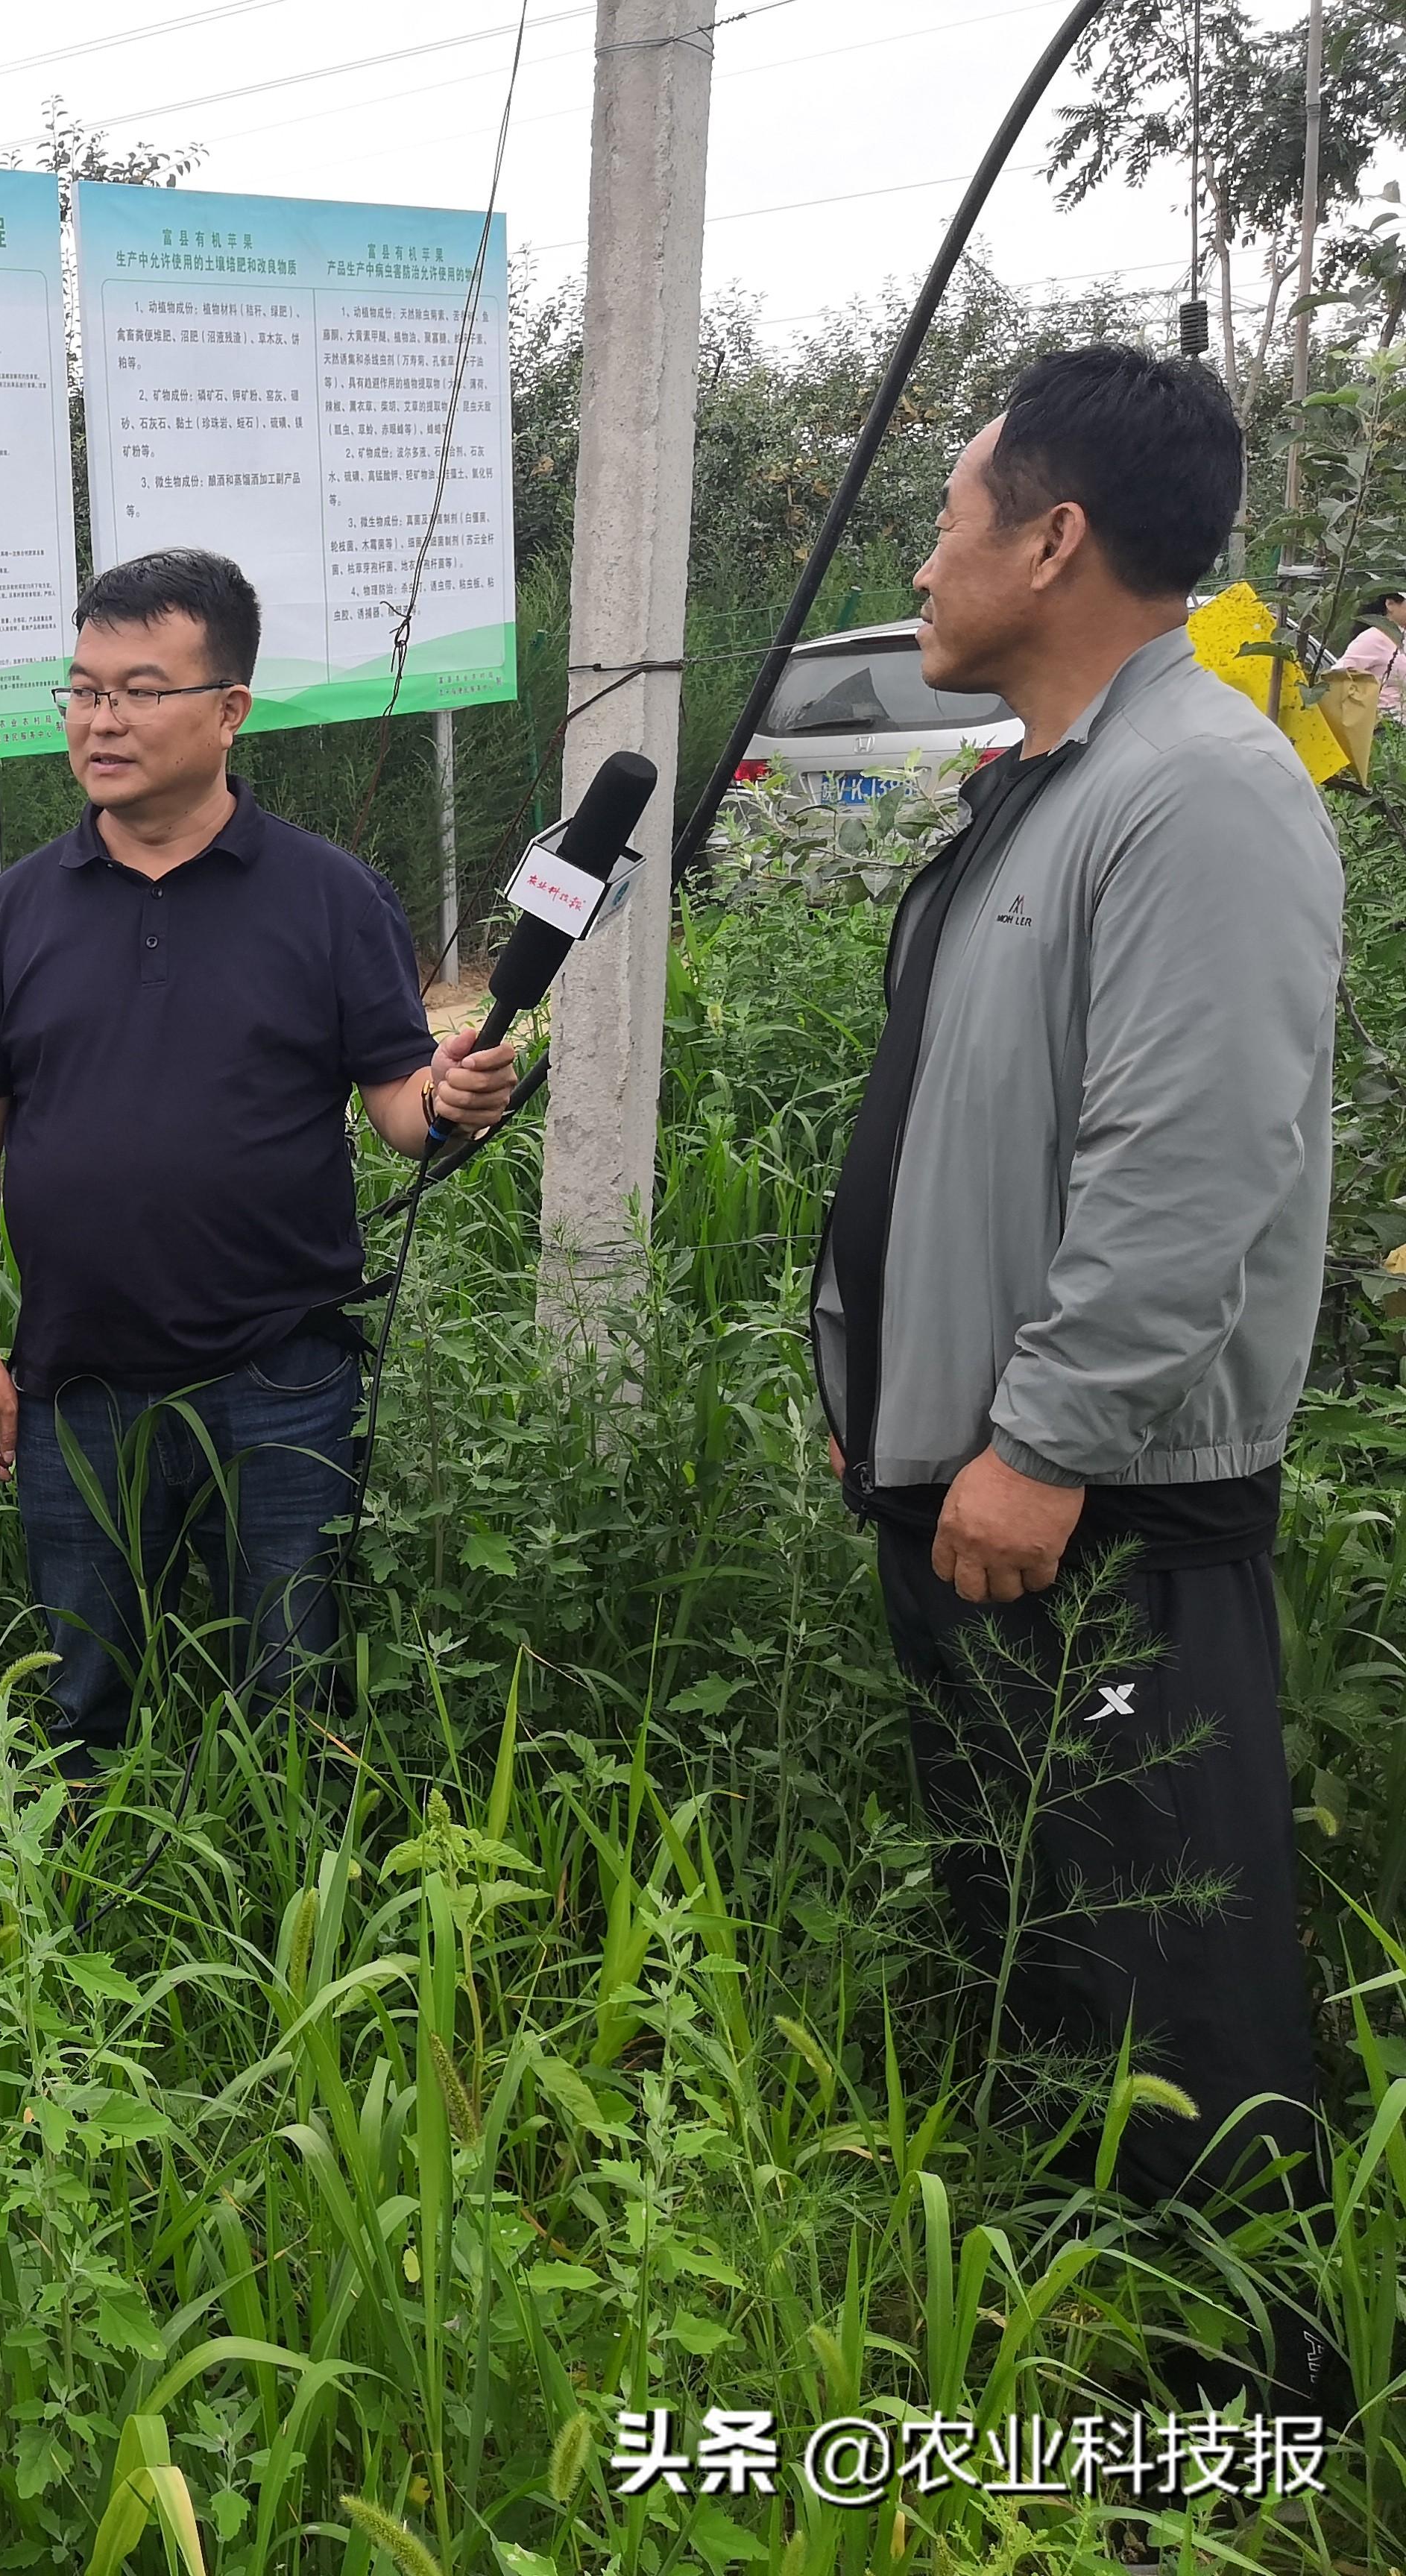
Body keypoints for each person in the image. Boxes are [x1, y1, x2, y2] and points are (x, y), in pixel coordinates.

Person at [812, 348, 1346, 2408]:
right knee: (1049, 1949)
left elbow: (1192, 1157)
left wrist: (1041, 1436)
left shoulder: (1202, 789)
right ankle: (1094, 2365)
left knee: (1166, 1969)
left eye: (947, 518)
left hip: (1098, 1504)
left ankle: (1237, 2439)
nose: (923, 560)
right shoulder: (1055, 780)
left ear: (1051, 536)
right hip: (989, 1486)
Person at [0, 549, 516, 1775]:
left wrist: (448, 1097)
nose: (100, 720)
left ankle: (300, 1917)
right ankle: (85, 1910)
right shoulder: (17, 911)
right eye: (82, 689)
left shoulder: (328, 897)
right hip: (74, 1385)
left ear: (227, 709)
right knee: (79, 1699)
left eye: (139, 690)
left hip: (280, 1377)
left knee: (292, 1692)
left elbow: (397, 1109)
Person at [1334, 584, 1405, 714]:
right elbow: (1338, 674)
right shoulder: (1373, 638)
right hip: (1382, 724)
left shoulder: (1402, 637)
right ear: (1390, 604)